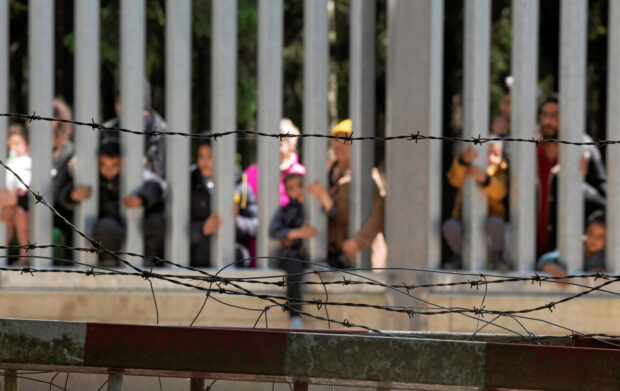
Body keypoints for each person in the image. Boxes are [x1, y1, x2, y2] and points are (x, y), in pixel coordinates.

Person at [61, 140, 166, 266]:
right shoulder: (89, 177)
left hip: (130, 231)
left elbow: (156, 186)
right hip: (104, 234)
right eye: (103, 164)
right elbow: (63, 194)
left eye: (114, 165)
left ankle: (148, 262)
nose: (108, 170)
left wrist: (142, 198)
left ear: (123, 163)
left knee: (155, 221)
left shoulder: (134, 176)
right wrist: (72, 196)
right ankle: (108, 263)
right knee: (107, 227)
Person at [536, 95, 607, 257]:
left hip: (569, 252)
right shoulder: (530, 150)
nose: (548, 121)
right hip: (529, 248)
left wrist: (576, 181)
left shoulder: (583, 150)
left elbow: (604, 201)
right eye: (544, 115)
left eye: (555, 115)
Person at [308, 119, 386, 268]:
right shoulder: (325, 172)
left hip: (363, 254)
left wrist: (358, 242)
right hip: (333, 254)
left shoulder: (369, 176)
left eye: (345, 139)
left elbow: (379, 214)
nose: (338, 144)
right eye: (335, 139)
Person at [190, 138, 258, 267]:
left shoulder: (240, 184)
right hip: (195, 258)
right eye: (201, 156)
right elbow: (175, 225)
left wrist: (236, 220)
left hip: (231, 257)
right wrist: (202, 229)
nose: (205, 162)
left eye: (210, 156)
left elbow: (255, 225)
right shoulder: (188, 181)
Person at [442, 142, 510, 271]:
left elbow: (501, 191)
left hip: (492, 216)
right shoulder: (469, 168)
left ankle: (497, 258)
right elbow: (454, 180)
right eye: (487, 153)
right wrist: (463, 161)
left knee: (496, 224)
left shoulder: (501, 171)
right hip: (465, 215)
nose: (490, 158)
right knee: (450, 227)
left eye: (495, 154)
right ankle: (459, 257)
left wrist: (485, 178)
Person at [269, 173, 316, 328]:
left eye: (300, 185)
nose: (297, 191)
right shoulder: (286, 210)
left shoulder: (313, 206)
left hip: (312, 256)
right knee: (293, 274)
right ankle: (295, 315)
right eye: (292, 188)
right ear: (287, 193)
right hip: (293, 255)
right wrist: (297, 233)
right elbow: (274, 231)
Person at [101, 80, 167, 179]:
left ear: (145, 108)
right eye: (120, 101)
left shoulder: (165, 135)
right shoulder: (105, 132)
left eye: (131, 101)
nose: (123, 107)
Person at [537, 210, 606, 277]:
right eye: (591, 233)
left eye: (600, 237)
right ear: (585, 231)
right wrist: (553, 269)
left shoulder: (606, 256)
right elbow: (544, 259)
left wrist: (604, 271)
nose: (594, 239)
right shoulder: (574, 246)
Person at [0, 125, 31, 265]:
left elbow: (28, 179)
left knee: (22, 228)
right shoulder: (8, 162)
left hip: (21, 201)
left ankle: (25, 258)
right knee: (5, 227)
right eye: (11, 144)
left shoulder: (28, 160)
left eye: (17, 143)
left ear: (26, 144)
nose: (14, 147)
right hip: (8, 200)